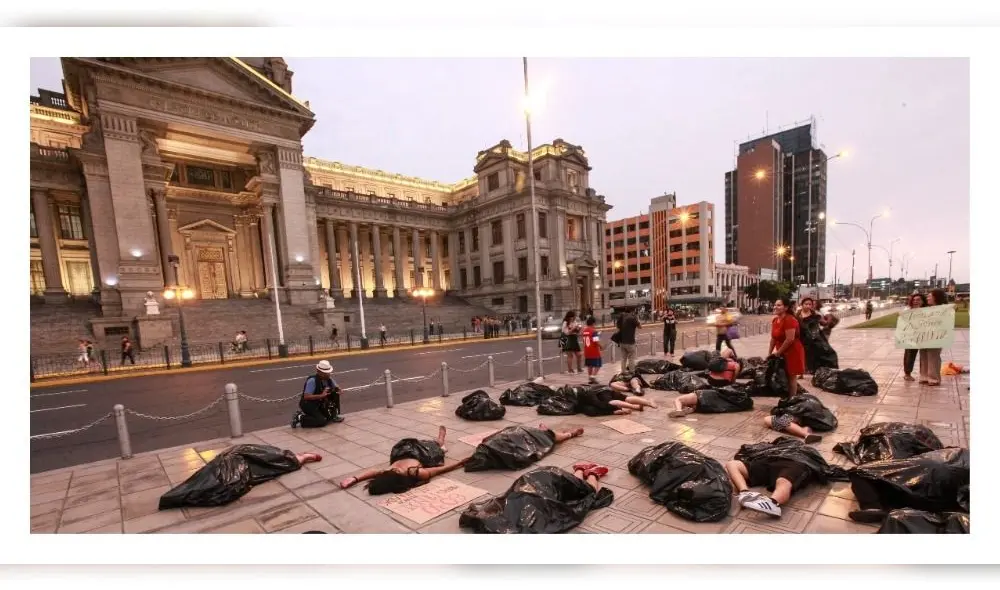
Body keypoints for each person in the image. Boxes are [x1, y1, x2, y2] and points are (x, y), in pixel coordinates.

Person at [339, 426, 470, 494]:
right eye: (395, 471)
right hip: (424, 453)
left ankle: (439, 442)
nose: (394, 469)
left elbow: (373, 472)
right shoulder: (414, 472)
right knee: (437, 445)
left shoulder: (389, 471)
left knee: (426, 442)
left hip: (406, 449)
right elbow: (438, 470)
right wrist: (458, 463)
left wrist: (355, 478)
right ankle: (441, 439)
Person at [724, 457, 807, 518]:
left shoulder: (804, 458)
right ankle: (745, 492)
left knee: (784, 480)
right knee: (731, 464)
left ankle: (773, 503)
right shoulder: (773, 449)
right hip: (768, 463)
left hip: (795, 463)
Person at [769, 296, 806, 398]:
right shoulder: (775, 320)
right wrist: (769, 353)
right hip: (781, 351)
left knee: (791, 377)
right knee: (783, 375)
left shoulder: (790, 320)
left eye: (779, 305)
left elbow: (790, 339)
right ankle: (787, 397)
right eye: (775, 305)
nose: (775, 307)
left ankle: (792, 399)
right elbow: (773, 338)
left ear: (786, 308)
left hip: (792, 351)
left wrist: (778, 352)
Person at [291, 360, 343, 428]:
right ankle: (299, 417)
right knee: (321, 421)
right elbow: (306, 397)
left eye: (328, 372)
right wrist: (321, 395)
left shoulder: (329, 379)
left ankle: (333, 415)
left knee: (334, 394)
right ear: (319, 371)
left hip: (319, 403)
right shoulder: (312, 380)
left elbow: (337, 388)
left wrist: (338, 390)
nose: (328, 374)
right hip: (309, 404)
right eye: (325, 373)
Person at [796, 297, 838, 375]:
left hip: (816, 338)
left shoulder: (815, 314)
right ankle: (805, 371)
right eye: (806, 304)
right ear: (802, 305)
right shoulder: (798, 315)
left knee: (827, 353)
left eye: (810, 304)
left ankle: (819, 370)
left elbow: (823, 322)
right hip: (803, 338)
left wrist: (830, 320)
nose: (808, 306)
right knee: (806, 355)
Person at [919, 288, 948, 387]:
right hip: (924, 336)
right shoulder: (926, 309)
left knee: (933, 357)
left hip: (936, 337)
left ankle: (934, 378)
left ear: (936, 297)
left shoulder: (944, 309)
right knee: (923, 356)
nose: (927, 298)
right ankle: (924, 376)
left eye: (929, 296)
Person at [902, 292, 927, 381]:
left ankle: (924, 374)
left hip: (925, 336)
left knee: (924, 356)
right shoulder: (907, 310)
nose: (915, 301)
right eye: (914, 300)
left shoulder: (928, 311)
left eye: (918, 300)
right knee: (910, 355)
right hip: (911, 336)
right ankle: (907, 373)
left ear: (923, 301)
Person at [581, 316, 604, 384]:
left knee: (589, 365)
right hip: (594, 351)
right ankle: (593, 377)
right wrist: (601, 346)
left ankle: (590, 377)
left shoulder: (584, 331)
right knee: (598, 364)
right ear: (593, 323)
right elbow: (596, 341)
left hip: (587, 350)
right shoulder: (593, 331)